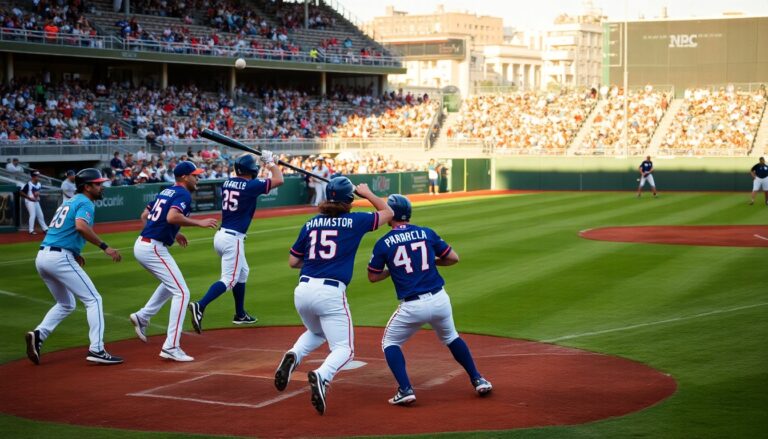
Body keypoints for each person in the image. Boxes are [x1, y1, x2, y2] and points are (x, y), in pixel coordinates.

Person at [273, 177, 393, 415]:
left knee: (317, 333)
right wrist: (367, 193)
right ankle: (322, 375)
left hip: (303, 289)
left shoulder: (311, 223)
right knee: (345, 350)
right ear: (349, 200)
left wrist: (319, 261)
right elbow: (388, 212)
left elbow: (293, 261)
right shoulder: (356, 220)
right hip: (330, 292)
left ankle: (294, 354)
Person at [367, 194, 492, 405]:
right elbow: (453, 258)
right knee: (452, 337)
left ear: (391, 215)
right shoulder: (426, 232)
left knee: (390, 342)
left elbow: (373, 276)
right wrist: (431, 262)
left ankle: (406, 389)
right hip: (439, 299)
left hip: (412, 306)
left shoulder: (383, 243)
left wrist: (392, 270)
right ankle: (478, 379)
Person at [26, 169, 124, 366]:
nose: (101, 186)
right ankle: (97, 349)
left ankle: (38, 335)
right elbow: (80, 226)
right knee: (94, 299)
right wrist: (105, 247)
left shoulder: (69, 201)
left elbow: (62, 229)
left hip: (43, 256)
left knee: (66, 303)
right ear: (86, 187)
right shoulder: (85, 202)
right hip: (59, 258)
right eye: (97, 184)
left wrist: (75, 252)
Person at [129, 161, 218, 362]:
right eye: (195, 175)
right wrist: (199, 223)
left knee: (171, 286)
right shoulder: (183, 193)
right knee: (182, 292)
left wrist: (171, 232)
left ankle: (143, 317)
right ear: (185, 177)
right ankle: (171, 346)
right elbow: (171, 217)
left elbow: (145, 215)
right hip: (153, 247)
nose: (198, 178)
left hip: (145, 244)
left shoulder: (167, 191)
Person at [188, 152, 284, 333]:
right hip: (233, 238)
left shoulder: (228, 183)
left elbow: (258, 181)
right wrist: (270, 163)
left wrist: (269, 164)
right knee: (229, 280)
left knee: (243, 272)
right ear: (250, 170)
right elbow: (279, 179)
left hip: (221, 235)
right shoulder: (250, 186)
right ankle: (200, 305)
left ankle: (240, 314)